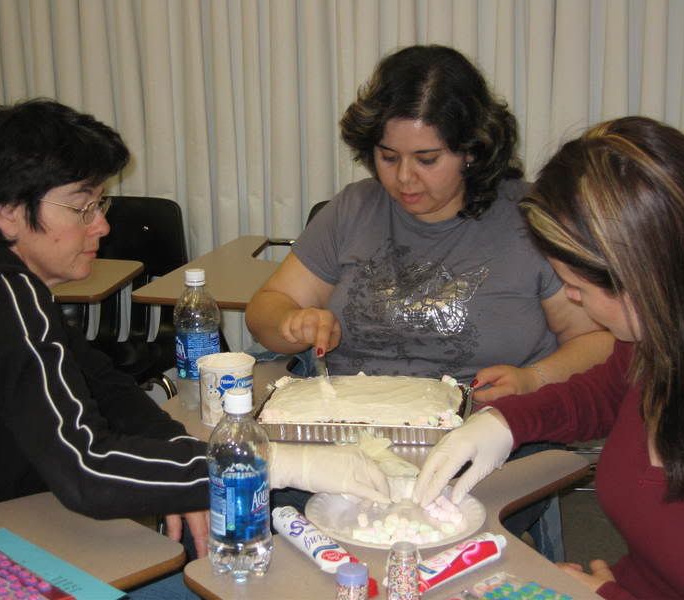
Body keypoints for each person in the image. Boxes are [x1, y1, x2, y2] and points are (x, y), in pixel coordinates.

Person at [0, 98, 393, 580]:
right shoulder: (0, 295)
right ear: (7, 213)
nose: (101, 225)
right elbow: (88, 467)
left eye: (99, 204)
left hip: (15, 514)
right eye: (83, 207)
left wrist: (185, 476)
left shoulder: (2, 282)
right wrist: (277, 463)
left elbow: (106, 387)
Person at [245, 44, 614, 558]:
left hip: (486, 441)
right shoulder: (353, 209)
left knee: (433, 534)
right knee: (281, 515)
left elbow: (599, 341)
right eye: (388, 157)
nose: (402, 179)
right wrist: (292, 321)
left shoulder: (527, 218)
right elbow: (266, 308)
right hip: (349, 439)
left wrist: (534, 379)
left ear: (471, 150)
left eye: (427, 159)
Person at [413, 116, 684, 599]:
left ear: (644, 280)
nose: (572, 301)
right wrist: (503, 423)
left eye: (576, 288)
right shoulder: (670, 336)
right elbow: (608, 392)